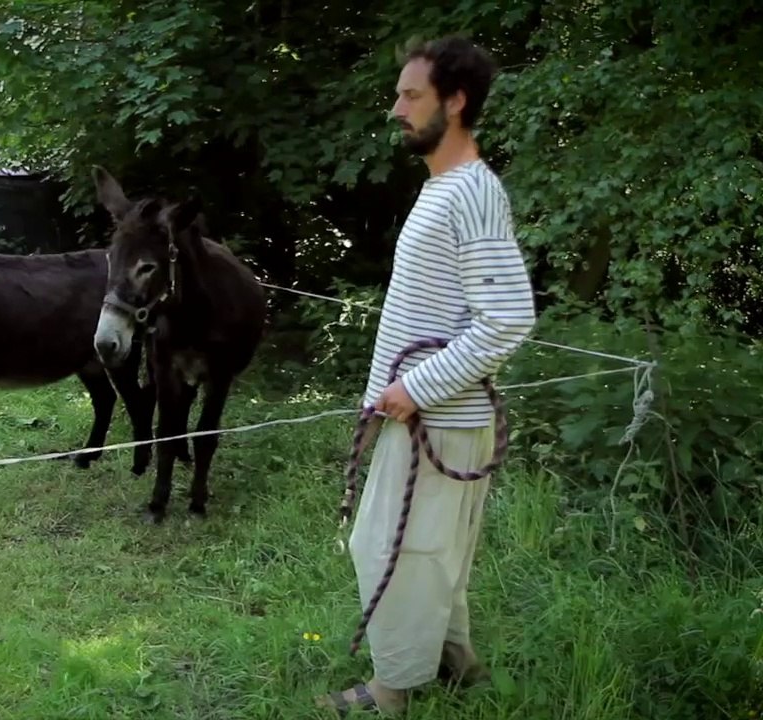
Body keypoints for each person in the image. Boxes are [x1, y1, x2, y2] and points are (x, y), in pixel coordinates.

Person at [317, 34, 537, 716]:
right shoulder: (450, 187)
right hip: (435, 417)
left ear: (456, 100)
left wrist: (418, 387)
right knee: (430, 548)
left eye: (411, 95)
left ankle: (391, 690)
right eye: (399, 94)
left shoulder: (470, 190)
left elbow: (506, 318)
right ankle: (457, 659)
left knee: (391, 547)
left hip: (438, 418)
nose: (396, 108)